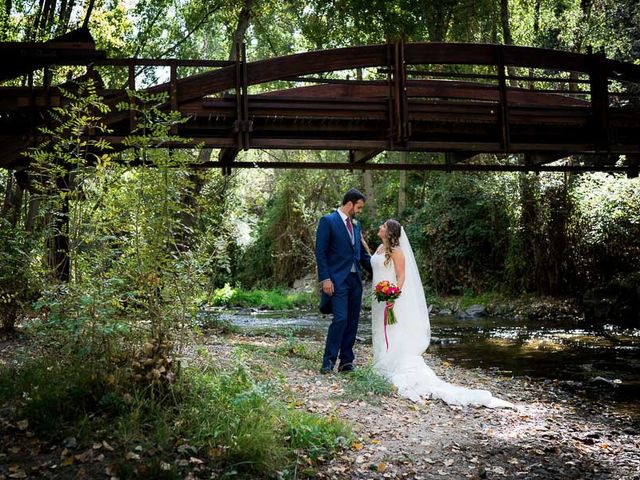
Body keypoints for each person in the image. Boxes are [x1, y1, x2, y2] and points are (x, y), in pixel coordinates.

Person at [371, 219, 513, 408]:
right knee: (381, 329)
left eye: (383, 226)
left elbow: (401, 275)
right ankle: (382, 359)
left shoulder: (397, 251)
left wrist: (393, 295)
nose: (380, 228)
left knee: (393, 329)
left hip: (390, 297)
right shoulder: (380, 248)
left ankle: (392, 363)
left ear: (389, 232)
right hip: (378, 297)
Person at [316, 188, 372, 374]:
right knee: (340, 318)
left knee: (353, 321)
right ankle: (328, 361)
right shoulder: (328, 221)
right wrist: (325, 278)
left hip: (355, 280)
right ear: (349, 203)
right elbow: (321, 253)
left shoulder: (356, 226)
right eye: (359, 207)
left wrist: (380, 272)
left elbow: (362, 255)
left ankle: (346, 361)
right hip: (337, 279)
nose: (359, 211)